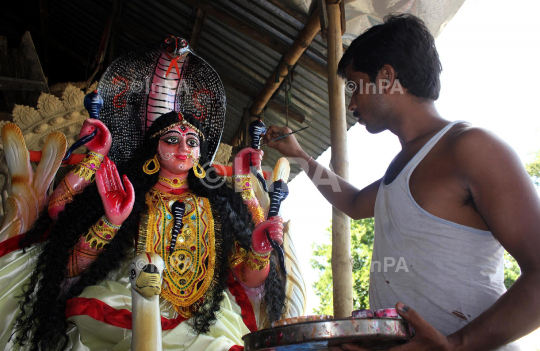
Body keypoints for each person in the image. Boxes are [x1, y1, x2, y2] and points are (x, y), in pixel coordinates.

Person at [264, 14, 540, 351]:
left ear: (386, 77)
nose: (351, 104)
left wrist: (455, 344)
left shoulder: (470, 147)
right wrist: (299, 156)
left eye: (354, 86)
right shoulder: (405, 164)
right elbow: (352, 204)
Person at [0, 111, 286, 350]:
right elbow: (70, 266)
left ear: (200, 152)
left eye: (192, 142)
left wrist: (260, 252)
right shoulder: (130, 193)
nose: (183, 148)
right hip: (126, 297)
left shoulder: (218, 203)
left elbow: (249, 278)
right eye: (172, 140)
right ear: (153, 148)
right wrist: (112, 220)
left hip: (207, 314)